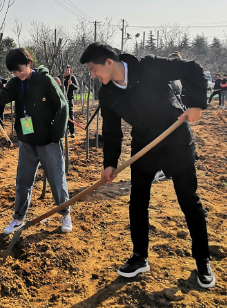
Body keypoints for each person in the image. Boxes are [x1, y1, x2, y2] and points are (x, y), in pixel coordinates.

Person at [79, 43, 214, 288]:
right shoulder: (107, 93)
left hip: (176, 141)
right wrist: (109, 164)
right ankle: (140, 256)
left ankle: (202, 259)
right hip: (144, 147)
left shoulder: (149, 66)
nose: (93, 75)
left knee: (188, 200)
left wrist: (196, 104)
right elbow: (112, 132)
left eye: (93, 69)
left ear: (109, 62)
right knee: (138, 202)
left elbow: (193, 69)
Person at [0, 48, 73, 235]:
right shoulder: (16, 83)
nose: (17, 74)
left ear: (29, 64)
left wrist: (55, 136)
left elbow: (62, 106)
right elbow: (4, 97)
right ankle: (18, 217)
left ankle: (65, 213)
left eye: (20, 69)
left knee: (56, 178)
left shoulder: (45, 80)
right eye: (14, 72)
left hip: (48, 140)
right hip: (27, 139)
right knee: (23, 180)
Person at [63, 65, 80, 137]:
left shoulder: (72, 77)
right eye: (66, 70)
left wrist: (71, 84)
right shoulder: (60, 77)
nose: (67, 72)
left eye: (68, 71)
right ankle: (65, 130)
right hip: (62, 99)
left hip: (69, 98)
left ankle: (72, 132)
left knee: (70, 114)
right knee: (63, 115)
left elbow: (76, 87)